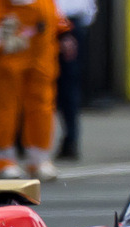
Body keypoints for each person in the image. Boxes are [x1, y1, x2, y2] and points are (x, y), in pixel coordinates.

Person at [0, 0, 74, 180]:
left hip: (41, 50)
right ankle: (3, 160)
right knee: (7, 106)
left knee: (42, 105)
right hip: (13, 49)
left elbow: (51, 11)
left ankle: (39, 159)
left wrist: (64, 33)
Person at [55, 0, 97, 160]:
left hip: (64, 19)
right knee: (67, 85)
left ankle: (70, 139)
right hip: (63, 19)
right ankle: (27, 139)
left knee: (68, 85)